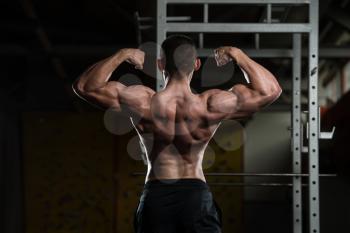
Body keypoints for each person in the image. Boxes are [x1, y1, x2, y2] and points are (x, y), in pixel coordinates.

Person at [73, 34, 282, 233]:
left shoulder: (142, 101)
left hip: (156, 196)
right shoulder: (210, 104)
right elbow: (270, 90)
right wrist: (237, 54)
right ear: (196, 64)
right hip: (195, 197)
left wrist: (123, 54)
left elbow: (85, 86)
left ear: (160, 64)